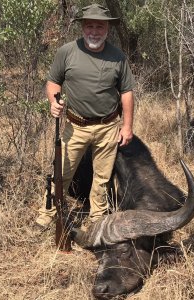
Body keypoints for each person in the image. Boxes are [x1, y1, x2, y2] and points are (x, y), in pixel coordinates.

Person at [35, 3, 135, 230]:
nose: (94, 32)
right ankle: (48, 213)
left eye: (99, 27)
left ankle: (97, 219)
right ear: (82, 27)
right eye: (89, 26)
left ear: (107, 29)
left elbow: (127, 92)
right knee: (61, 172)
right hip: (75, 125)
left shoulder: (118, 57)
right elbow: (53, 82)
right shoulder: (67, 51)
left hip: (108, 126)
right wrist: (54, 102)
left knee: (102, 178)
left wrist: (127, 126)